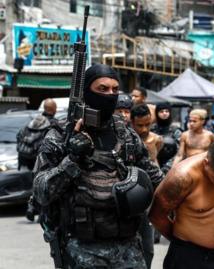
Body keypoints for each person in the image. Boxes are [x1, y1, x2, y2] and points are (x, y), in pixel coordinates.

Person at [33, 64, 163, 269]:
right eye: (102, 89)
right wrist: (73, 158)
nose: (110, 95)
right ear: (86, 92)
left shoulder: (125, 133)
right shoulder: (61, 134)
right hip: (82, 249)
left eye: (114, 89)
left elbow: (154, 177)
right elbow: (41, 191)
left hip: (128, 247)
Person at [149, 140, 214, 269]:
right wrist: (181, 243)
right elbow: (156, 216)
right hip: (189, 255)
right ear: (206, 164)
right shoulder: (182, 177)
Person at [130, 103, 163, 269]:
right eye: (139, 125)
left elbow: (154, 164)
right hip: (128, 195)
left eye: (147, 124)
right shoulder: (125, 140)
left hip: (150, 189)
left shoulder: (156, 139)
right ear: (131, 122)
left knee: (147, 247)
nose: (144, 129)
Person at [151, 102, 183, 174]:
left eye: (166, 111)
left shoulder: (175, 130)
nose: (164, 113)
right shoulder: (152, 129)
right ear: (157, 113)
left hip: (172, 166)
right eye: (161, 111)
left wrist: (169, 166)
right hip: (154, 165)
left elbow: (179, 151)